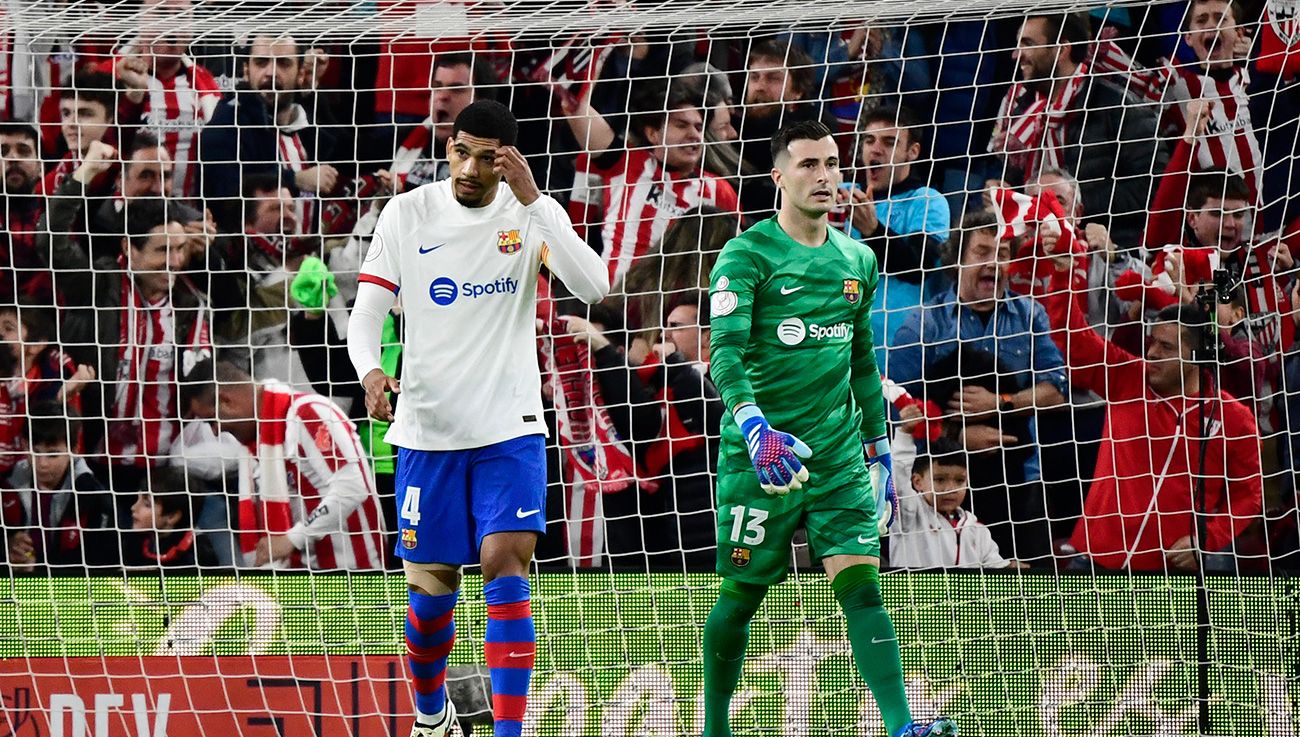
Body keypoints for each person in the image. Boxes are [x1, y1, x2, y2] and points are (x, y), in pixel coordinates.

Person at [346, 100, 608, 737]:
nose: (468, 167)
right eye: (460, 150)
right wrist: (371, 372)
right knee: (432, 601)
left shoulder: (530, 214)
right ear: (450, 146)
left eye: (486, 157)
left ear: (507, 159)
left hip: (510, 429)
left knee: (505, 563)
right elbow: (366, 314)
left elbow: (593, 286)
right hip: (428, 433)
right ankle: (433, 715)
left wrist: (538, 203)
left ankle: (508, 732)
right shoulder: (408, 213)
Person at [703, 119, 954, 737]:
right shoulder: (746, 255)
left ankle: (900, 725)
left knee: (862, 585)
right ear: (778, 177)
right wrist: (756, 426)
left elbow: (862, 360)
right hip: (762, 457)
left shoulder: (858, 259)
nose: (825, 176)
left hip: (839, 454)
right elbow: (725, 355)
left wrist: (877, 450)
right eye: (809, 164)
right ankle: (713, 727)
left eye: (833, 164)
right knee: (742, 592)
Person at [1039, 250, 1264, 571]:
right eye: (1152, 342)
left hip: (1175, 571)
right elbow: (1072, 340)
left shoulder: (1234, 418)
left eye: (1166, 347)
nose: (1152, 353)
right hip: (1096, 560)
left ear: (1198, 356)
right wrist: (1062, 274)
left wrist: (1207, 537)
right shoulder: (1127, 376)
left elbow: (1249, 496)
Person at [889, 210, 1067, 562]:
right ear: (957, 259)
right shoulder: (923, 325)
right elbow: (895, 407)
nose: (994, 264)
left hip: (1020, 481)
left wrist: (1000, 403)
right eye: (982, 252)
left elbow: (1056, 389)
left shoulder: (1030, 315)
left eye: (1001, 254)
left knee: (1028, 592)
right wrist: (956, 439)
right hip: (942, 488)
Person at [182, 358, 387, 570]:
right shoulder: (257, 441)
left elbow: (352, 487)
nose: (215, 431)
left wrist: (293, 538)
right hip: (303, 575)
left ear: (226, 401)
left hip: (353, 574)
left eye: (211, 420)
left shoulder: (308, 414)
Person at [988, 13, 1166, 246]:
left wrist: (1069, 205)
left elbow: (1153, 186)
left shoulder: (1118, 105)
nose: (1016, 54)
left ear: (1062, 49)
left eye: (1028, 44)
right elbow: (1023, 180)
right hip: (1032, 252)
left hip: (1102, 254)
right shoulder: (1023, 112)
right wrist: (1007, 189)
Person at [839, 105, 950, 367]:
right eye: (869, 140)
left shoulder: (928, 201)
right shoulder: (842, 196)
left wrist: (872, 231)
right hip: (838, 345)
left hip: (897, 349)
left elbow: (917, 267)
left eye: (889, 143)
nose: (875, 149)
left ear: (912, 152)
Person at [2, 407, 115, 574]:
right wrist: (7, 544)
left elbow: (100, 562)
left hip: (67, 591)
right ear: (25, 445)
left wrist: (37, 565)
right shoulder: (7, 484)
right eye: (35, 452)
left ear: (74, 450)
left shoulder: (92, 496)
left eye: (52, 454)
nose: (42, 464)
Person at [889, 437, 1011, 569]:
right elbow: (898, 479)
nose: (950, 489)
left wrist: (1011, 569)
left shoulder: (977, 531)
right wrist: (904, 434)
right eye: (940, 480)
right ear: (917, 482)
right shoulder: (908, 515)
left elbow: (997, 571)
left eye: (959, 480)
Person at [124, 464, 217, 569]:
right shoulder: (133, 541)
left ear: (172, 517)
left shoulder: (198, 555)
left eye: (147, 505)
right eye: (137, 499)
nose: (133, 507)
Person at [0, 122, 50, 304]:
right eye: (2, 151)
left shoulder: (57, 215)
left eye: (23, 151)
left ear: (41, 167)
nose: (12, 158)